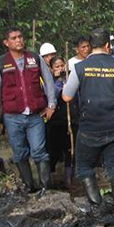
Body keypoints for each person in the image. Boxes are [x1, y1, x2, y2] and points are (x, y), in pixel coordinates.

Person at [62, 28, 114, 205]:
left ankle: (96, 206)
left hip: (89, 128)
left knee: (85, 168)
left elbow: (66, 97)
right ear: (108, 45)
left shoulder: (79, 67)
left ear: (91, 46)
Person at [0, 27, 57, 192]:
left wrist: (51, 105)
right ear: (6, 43)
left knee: (39, 151)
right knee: (19, 153)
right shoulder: (0, 63)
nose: (18, 40)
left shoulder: (34, 58)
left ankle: (45, 188)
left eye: (20, 37)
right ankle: (29, 187)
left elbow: (49, 82)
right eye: (13, 38)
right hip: (12, 117)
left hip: (35, 115)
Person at [45, 56, 74, 188]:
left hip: (68, 121)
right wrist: (60, 85)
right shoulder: (49, 83)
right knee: (52, 151)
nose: (60, 68)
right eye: (57, 66)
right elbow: (51, 97)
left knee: (69, 150)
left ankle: (69, 180)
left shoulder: (69, 79)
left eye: (62, 65)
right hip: (53, 122)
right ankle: (49, 179)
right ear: (51, 69)